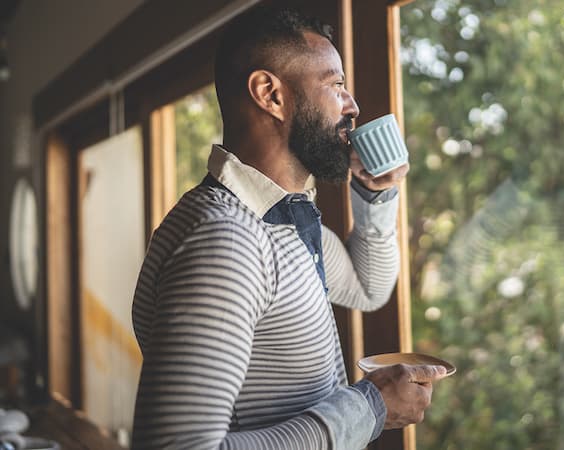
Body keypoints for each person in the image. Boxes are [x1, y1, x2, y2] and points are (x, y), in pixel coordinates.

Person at [130, 6, 446, 450]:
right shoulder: (225, 240)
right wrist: (369, 408)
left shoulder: (282, 218)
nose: (352, 105)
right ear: (270, 94)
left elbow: (366, 287)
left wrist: (375, 195)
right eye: (336, 84)